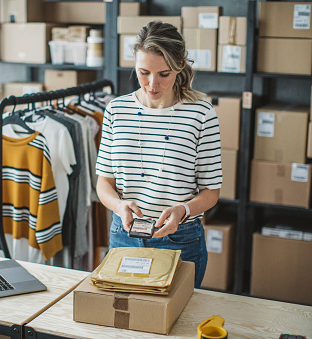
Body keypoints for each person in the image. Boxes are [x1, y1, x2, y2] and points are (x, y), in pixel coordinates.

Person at [95, 21, 222, 288]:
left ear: (180, 65)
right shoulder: (116, 111)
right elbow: (104, 183)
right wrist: (119, 206)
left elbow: (211, 192)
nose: (152, 84)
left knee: (176, 325)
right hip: (124, 235)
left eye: (164, 74)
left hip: (181, 240)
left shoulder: (201, 113)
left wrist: (183, 210)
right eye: (144, 72)